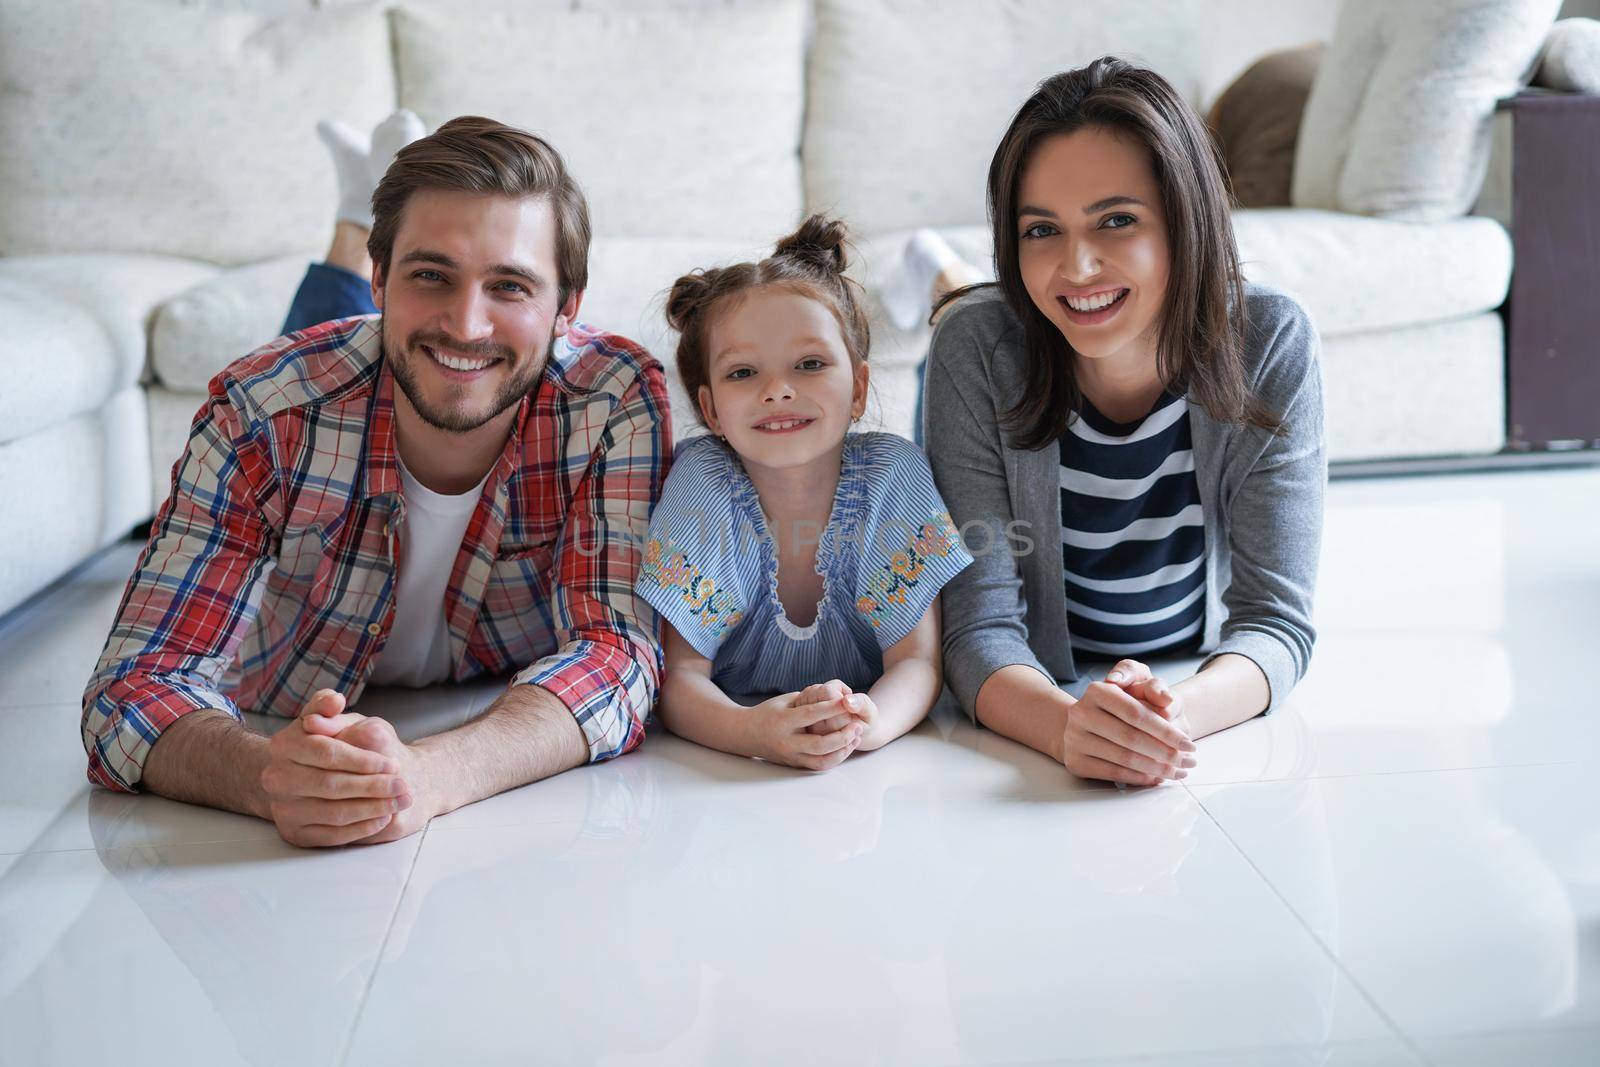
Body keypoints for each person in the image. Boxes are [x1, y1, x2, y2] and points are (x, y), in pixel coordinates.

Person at [80, 113, 673, 847]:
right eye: (431, 275)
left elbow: (618, 653)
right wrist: (267, 775)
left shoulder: (613, 399)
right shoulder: (258, 411)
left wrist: (428, 775)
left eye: (511, 286)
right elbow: (130, 689)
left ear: (567, 307)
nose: (467, 323)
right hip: (285, 689)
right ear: (379, 279)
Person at [923, 58, 1325, 787]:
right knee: (963, 310)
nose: (1077, 263)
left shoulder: (1272, 341)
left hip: (1172, 656)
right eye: (1041, 229)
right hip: (988, 327)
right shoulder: (974, 351)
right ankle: (937, 272)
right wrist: (1067, 726)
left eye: (1117, 220)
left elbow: (1277, 622)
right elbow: (975, 629)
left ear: (1185, 220)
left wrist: (1165, 713)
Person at [635, 216, 973, 771]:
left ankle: (941, 273)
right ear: (711, 409)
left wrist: (870, 722)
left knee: (972, 318)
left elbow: (916, 662)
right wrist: (753, 731)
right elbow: (681, 680)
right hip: (745, 727)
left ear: (859, 388)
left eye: (810, 364)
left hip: (856, 710)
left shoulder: (893, 473)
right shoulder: (702, 484)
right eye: (743, 372)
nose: (779, 390)